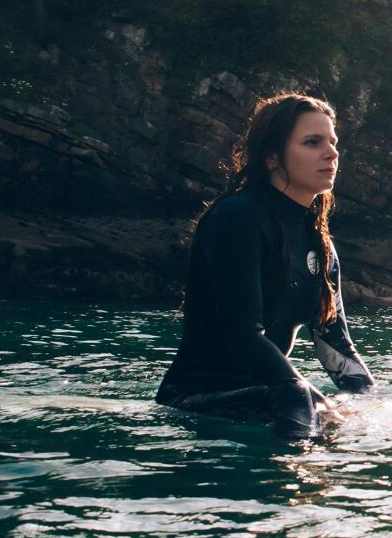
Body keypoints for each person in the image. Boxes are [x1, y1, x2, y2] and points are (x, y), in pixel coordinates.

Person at [156, 92, 373, 439]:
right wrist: (313, 399)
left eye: (333, 142)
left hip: (271, 396)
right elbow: (243, 334)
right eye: (313, 142)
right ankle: (294, 480)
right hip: (197, 400)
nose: (331, 153)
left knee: (315, 399)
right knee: (298, 396)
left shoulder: (321, 244)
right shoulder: (238, 217)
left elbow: (334, 343)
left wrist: (369, 401)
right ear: (272, 156)